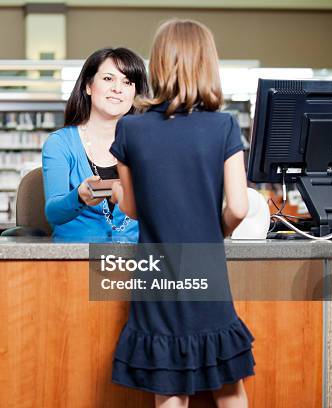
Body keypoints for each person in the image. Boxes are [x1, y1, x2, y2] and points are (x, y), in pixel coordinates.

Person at [109, 20, 254, 407]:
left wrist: (120, 191)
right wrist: (215, 228)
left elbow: (133, 207)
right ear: (208, 63)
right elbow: (239, 207)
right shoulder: (224, 126)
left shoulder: (131, 130)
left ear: (157, 63)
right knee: (227, 383)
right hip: (205, 268)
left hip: (156, 273)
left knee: (168, 384)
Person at [42, 47, 148, 241]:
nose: (117, 88)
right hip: (77, 259)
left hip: (135, 260)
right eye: (108, 79)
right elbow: (53, 213)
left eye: (127, 82)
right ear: (88, 86)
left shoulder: (148, 144)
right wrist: (79, 197)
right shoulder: (60, 143)